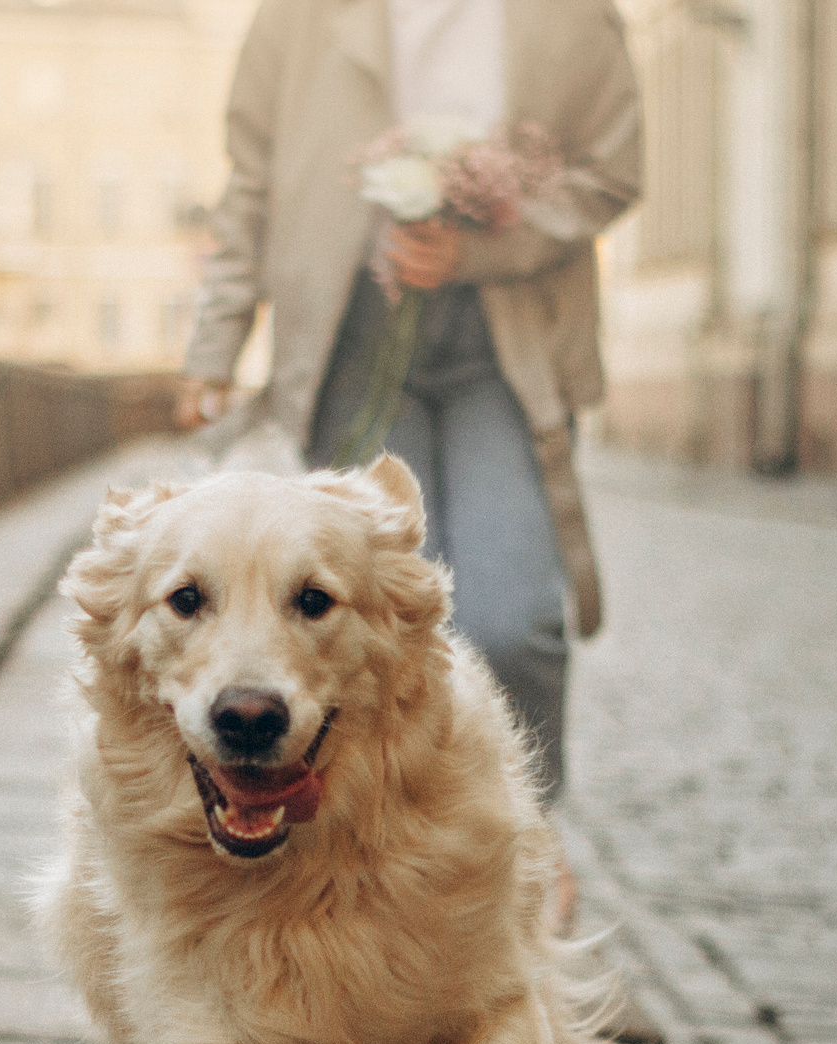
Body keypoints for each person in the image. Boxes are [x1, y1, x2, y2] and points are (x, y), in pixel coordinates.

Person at [179, 0, 642, 841]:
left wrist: (482, 248)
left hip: (508, 339)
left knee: (511, 621)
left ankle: (524, 834)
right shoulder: (299, 15)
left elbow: (610, 173)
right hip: (354, 343)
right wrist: (216, 339)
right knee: (362, 620)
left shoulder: (574, 15)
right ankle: (382, 846)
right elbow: (253, 178)